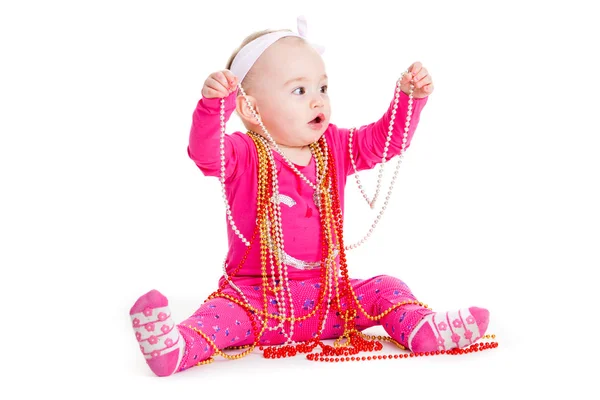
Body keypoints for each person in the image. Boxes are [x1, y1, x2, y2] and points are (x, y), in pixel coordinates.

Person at [129, 16, 490, 377]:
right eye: (299, 91)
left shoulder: (333, 146)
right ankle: (176, 347)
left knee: (387, 287)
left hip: (332, 300)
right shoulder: (244, 154)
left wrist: (409, 101)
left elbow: (383, 142)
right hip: (258, 301)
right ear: (249, 108)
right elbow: (206, 153)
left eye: (323, 87)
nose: (318, 100)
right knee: (216, 317)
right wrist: (214, 106)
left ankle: (420, 328)